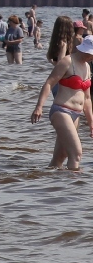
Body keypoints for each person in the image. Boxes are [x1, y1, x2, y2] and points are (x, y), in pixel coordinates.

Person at [32, 25, 90, 170]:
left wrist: (91, 122)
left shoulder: (87, 67)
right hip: (61, 110)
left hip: (76, 115)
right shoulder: (67, 61)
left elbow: (87, 98)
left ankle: (50, 185)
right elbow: (49, 83)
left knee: (60, 156)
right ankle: (74, 189)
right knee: (76, 153)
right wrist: (39, 107)